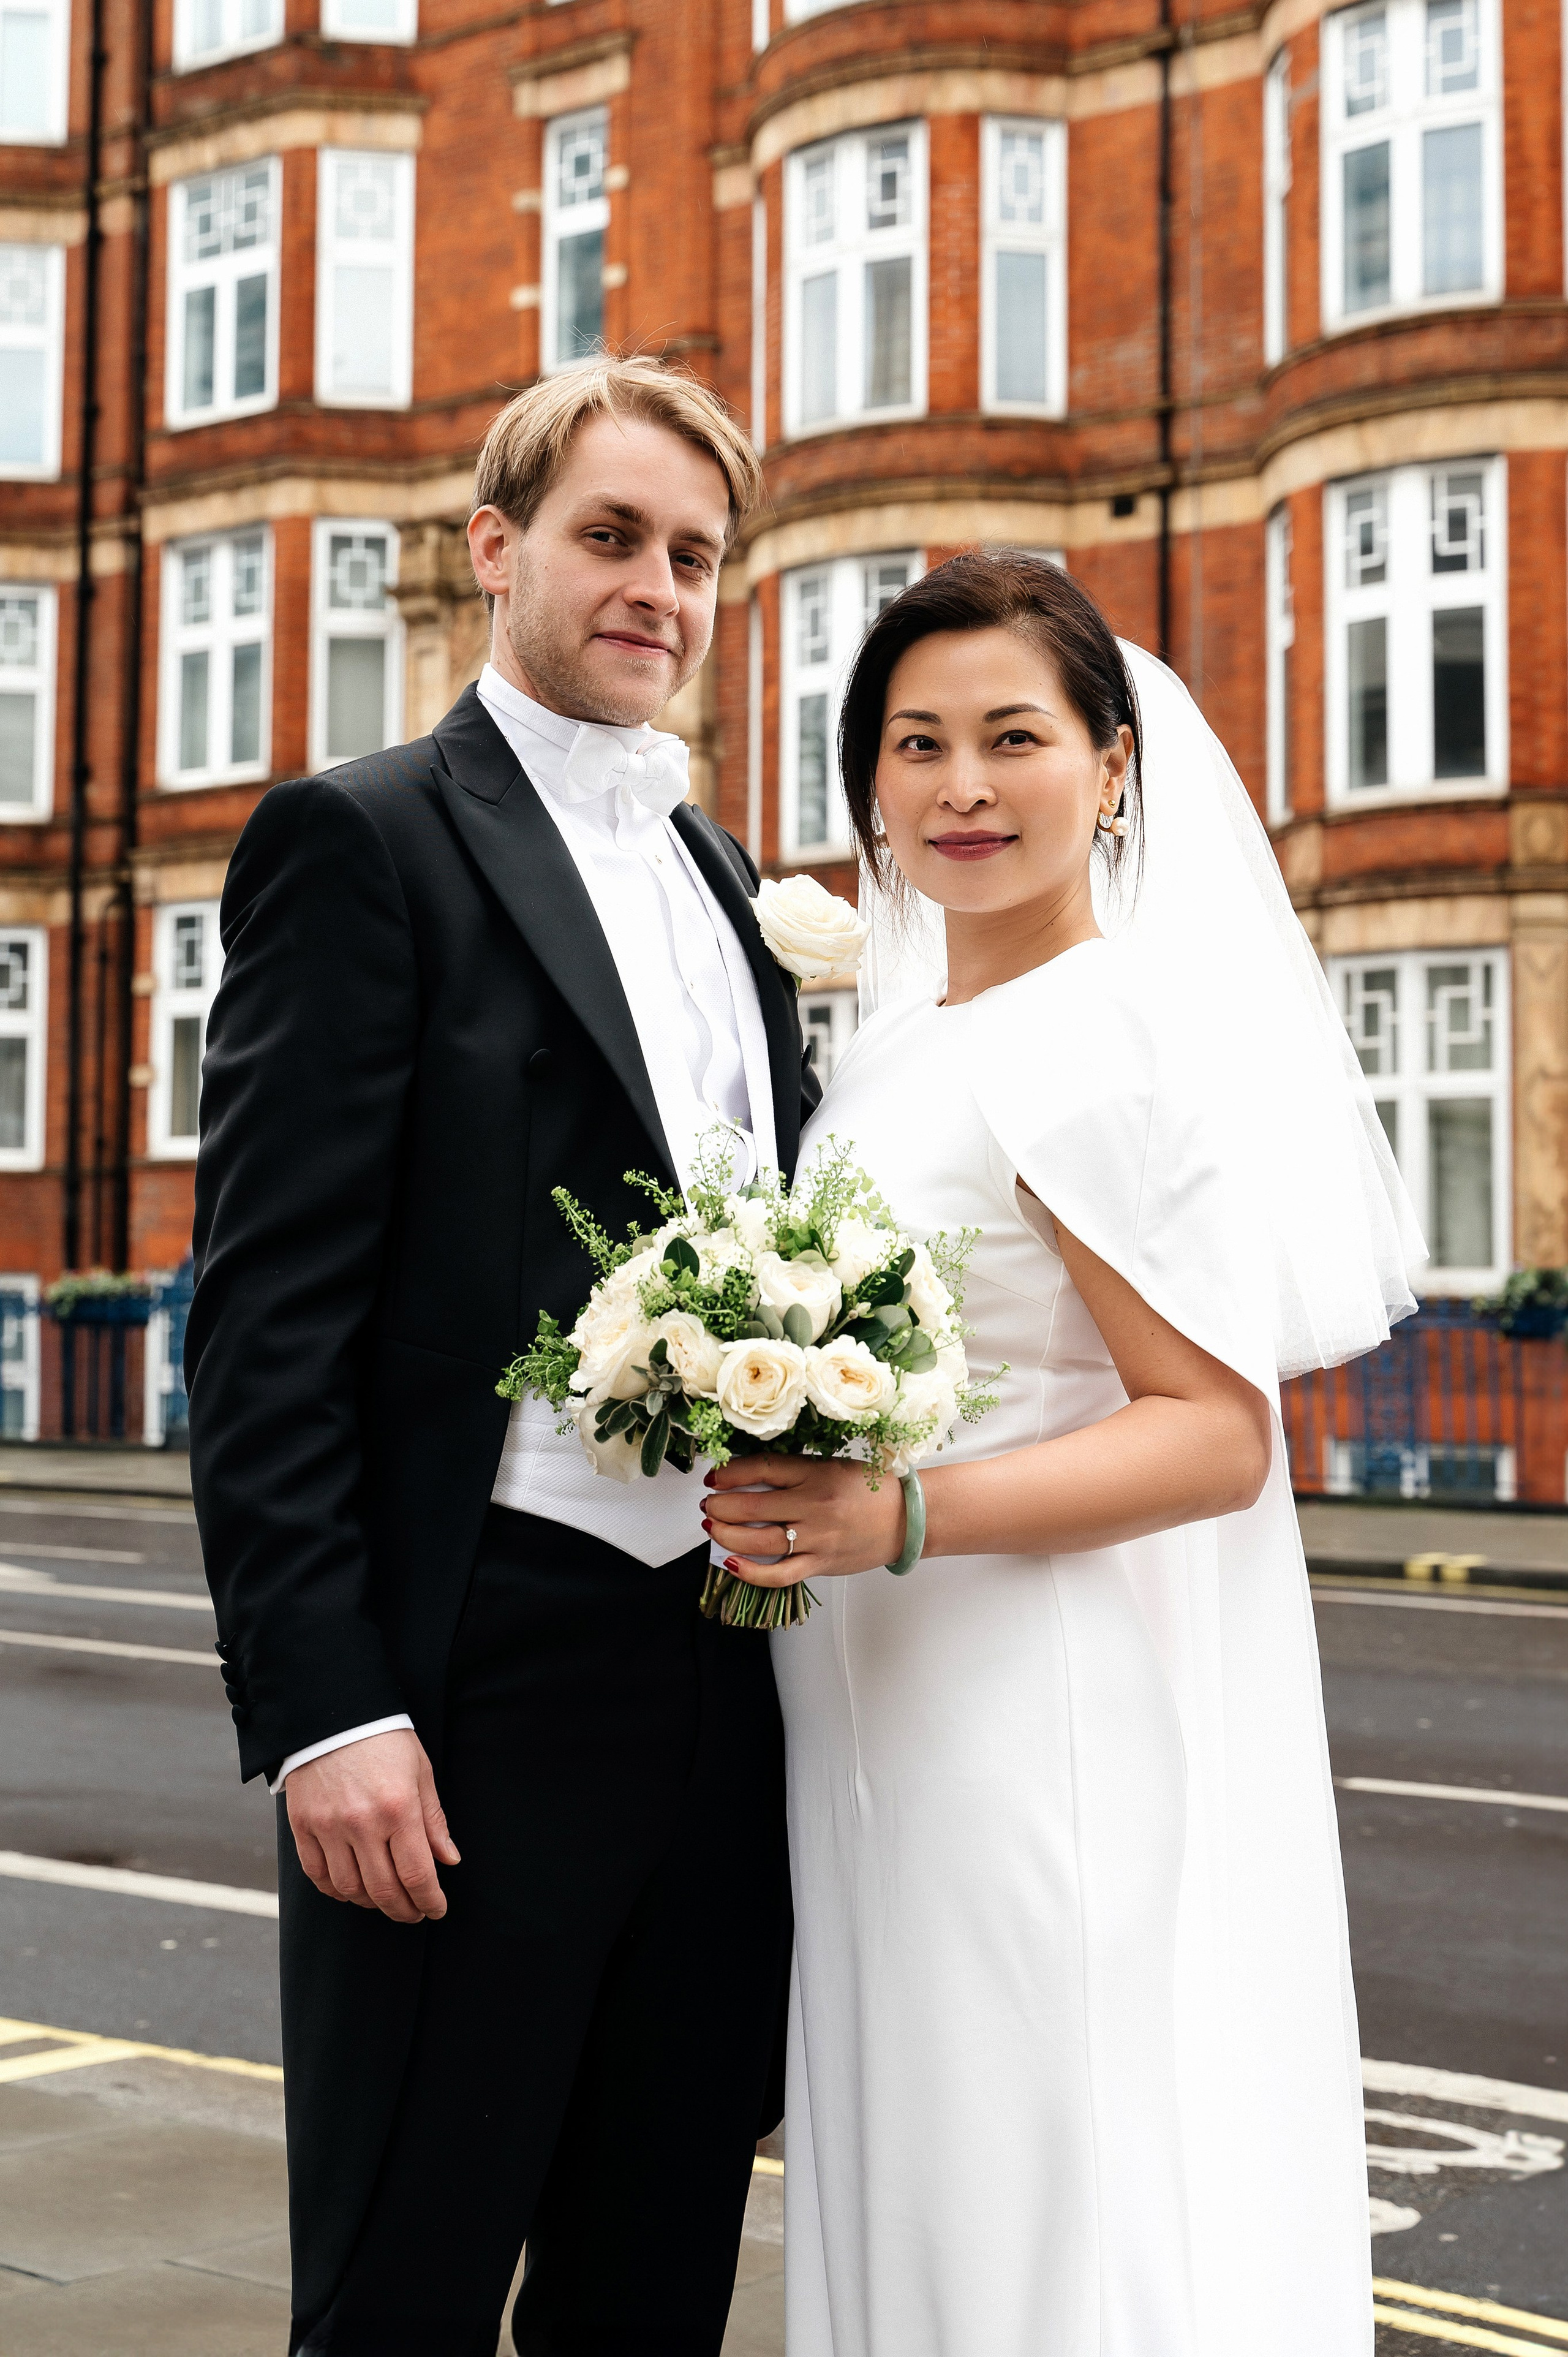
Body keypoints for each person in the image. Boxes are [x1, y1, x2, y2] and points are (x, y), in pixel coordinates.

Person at [703, 553, 1421, 2356]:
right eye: (916, 742)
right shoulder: (898, 1050)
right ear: (868, 779)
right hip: (883, 1701)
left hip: (1035, 1710)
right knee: (923, 2148)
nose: (961, 787)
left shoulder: (1098, 1041)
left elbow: (1210, 1437)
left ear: (1111, 771)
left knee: (1044, 2160)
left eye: (1014, 737)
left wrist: (899, 1511)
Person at [186, 358, 818, 2357]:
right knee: (407, 2291)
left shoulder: (726, 880)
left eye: (695, 556)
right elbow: (264, 1322)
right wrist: (326, 1712)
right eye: (612, 535)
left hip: (725, 1681)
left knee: (651, 2290)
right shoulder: (359, 841)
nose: (658, 586)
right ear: (496, 550)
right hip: (470, 1689)